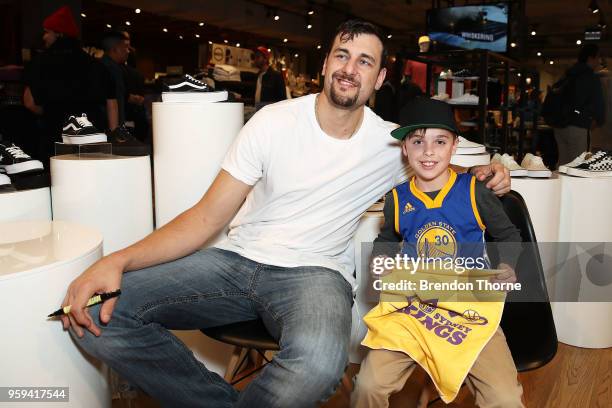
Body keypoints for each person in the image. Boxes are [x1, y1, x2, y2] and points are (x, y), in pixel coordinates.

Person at [60, 20, 510, 408]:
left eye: (365, 61)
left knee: (318, 365)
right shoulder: (272, 122)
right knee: (92, 313)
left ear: (380, 78)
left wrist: (489, 170)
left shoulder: (392, 144)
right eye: (342, 55)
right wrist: (116, 260)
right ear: (325, 63)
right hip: (237, 260)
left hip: (315, 274)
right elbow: (205, 218)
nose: (350, 69)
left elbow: (440, 165)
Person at [351, 98, 523, 408]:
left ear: (454, 146)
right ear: (405, 148)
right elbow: (388, 238)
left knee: (505, 398)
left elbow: (509, 235)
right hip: (414, 308)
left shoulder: (475, 192)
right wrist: (381, 259)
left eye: (439, 141)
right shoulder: (396, 199)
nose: (428, 151)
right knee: (367, 385)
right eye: (418, 141)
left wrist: (508, 264)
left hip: (469, 308)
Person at [23, 5, 116, 163]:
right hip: (92, 134)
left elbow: (29, 103)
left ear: (58, 33)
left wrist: (51, 113)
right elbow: (112, 103)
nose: (44, 37)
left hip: (56, 135)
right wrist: (113, 136)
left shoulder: (39, 62)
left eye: (47, 32)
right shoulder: (97, 65)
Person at [553, 43, 605, 166]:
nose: (599, 61)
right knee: (578, 164)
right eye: (597, 57)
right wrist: (599, 119)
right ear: (590, 58)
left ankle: (559, 184)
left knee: (563, 163)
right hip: (578, 125)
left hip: (559, 125)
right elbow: (598, 101)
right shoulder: (590, 77)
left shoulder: (568, 74)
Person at [100, 30, 131, 128]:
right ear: (115, 49)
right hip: (111, 127)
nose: (128, 51)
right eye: (125, 47)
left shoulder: (101, 65)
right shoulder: (112, 69)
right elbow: (116, 101)